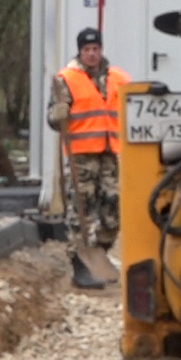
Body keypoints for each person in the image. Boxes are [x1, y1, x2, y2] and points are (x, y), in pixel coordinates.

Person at [47, 28, 129, 290]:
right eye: (86, 50)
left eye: (95, 49)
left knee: (113, 206)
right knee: (81, 210)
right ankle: (80, 266)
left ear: (101, 50)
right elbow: (53, 117)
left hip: (110, 152)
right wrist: (57, 115)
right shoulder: (66, 79)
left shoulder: (119, 78)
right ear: (80, 52)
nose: (91, 54)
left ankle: (100, 253)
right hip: (81, 155)